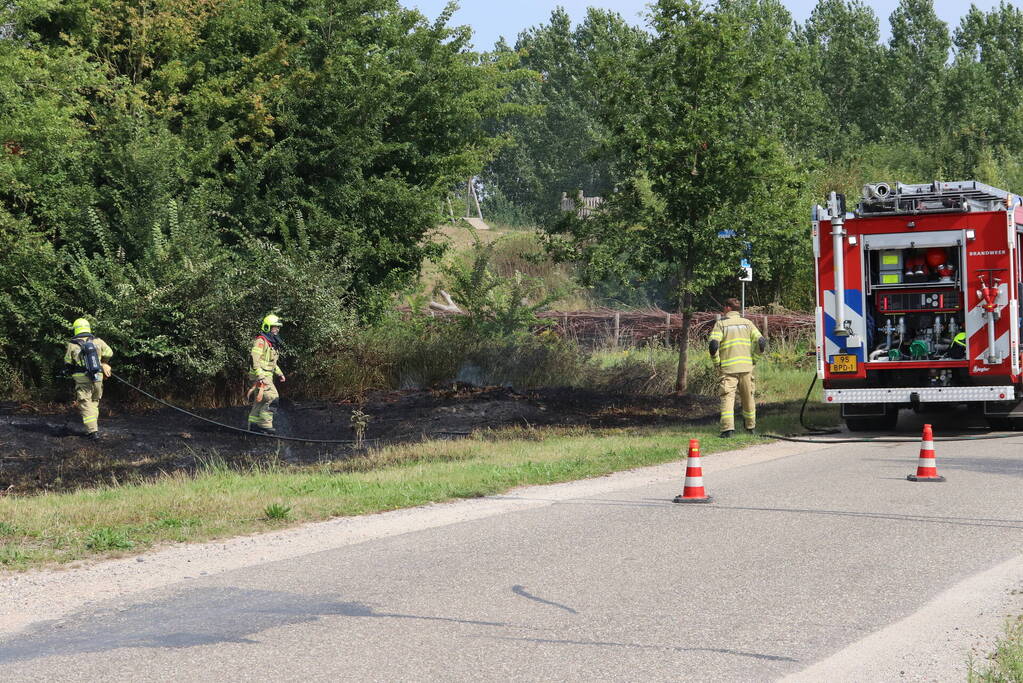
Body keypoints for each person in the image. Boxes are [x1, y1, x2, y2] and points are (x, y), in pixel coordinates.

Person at [708, 298, 766, 438]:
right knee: (748, 398)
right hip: (746, 368)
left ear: (728, 308)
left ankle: (728, 430)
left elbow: (713, 345)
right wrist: (754, 360)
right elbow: (761, 342)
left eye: (724, 307)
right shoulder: (747, 323)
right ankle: (751, 428)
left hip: (728, 369)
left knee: (728, 399)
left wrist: (717, 363)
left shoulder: (721, 324)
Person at [64, 318, 114, 439]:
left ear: (76, 329)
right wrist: (104, 362)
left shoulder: (72, 344)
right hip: (98, 377)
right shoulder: (98, 341)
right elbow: (109, 352)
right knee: (94, 402)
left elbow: (68, 362)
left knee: (85, 403)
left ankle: (92, 432)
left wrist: (67, 372)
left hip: (82, 379)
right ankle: (93, 428)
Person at [247, 314, 286, 435]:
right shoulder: (261, 341)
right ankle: (265, 425)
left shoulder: (271, 343)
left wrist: (280, 374)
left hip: (267, 374)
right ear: (267, 327)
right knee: (272, 397)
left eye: (278, 327)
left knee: (260, 401)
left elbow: (272, 363)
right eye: (275, 327)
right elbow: (255, 359)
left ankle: (253, 425)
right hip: (261, 375)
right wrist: (261, 376)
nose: (277, 330)